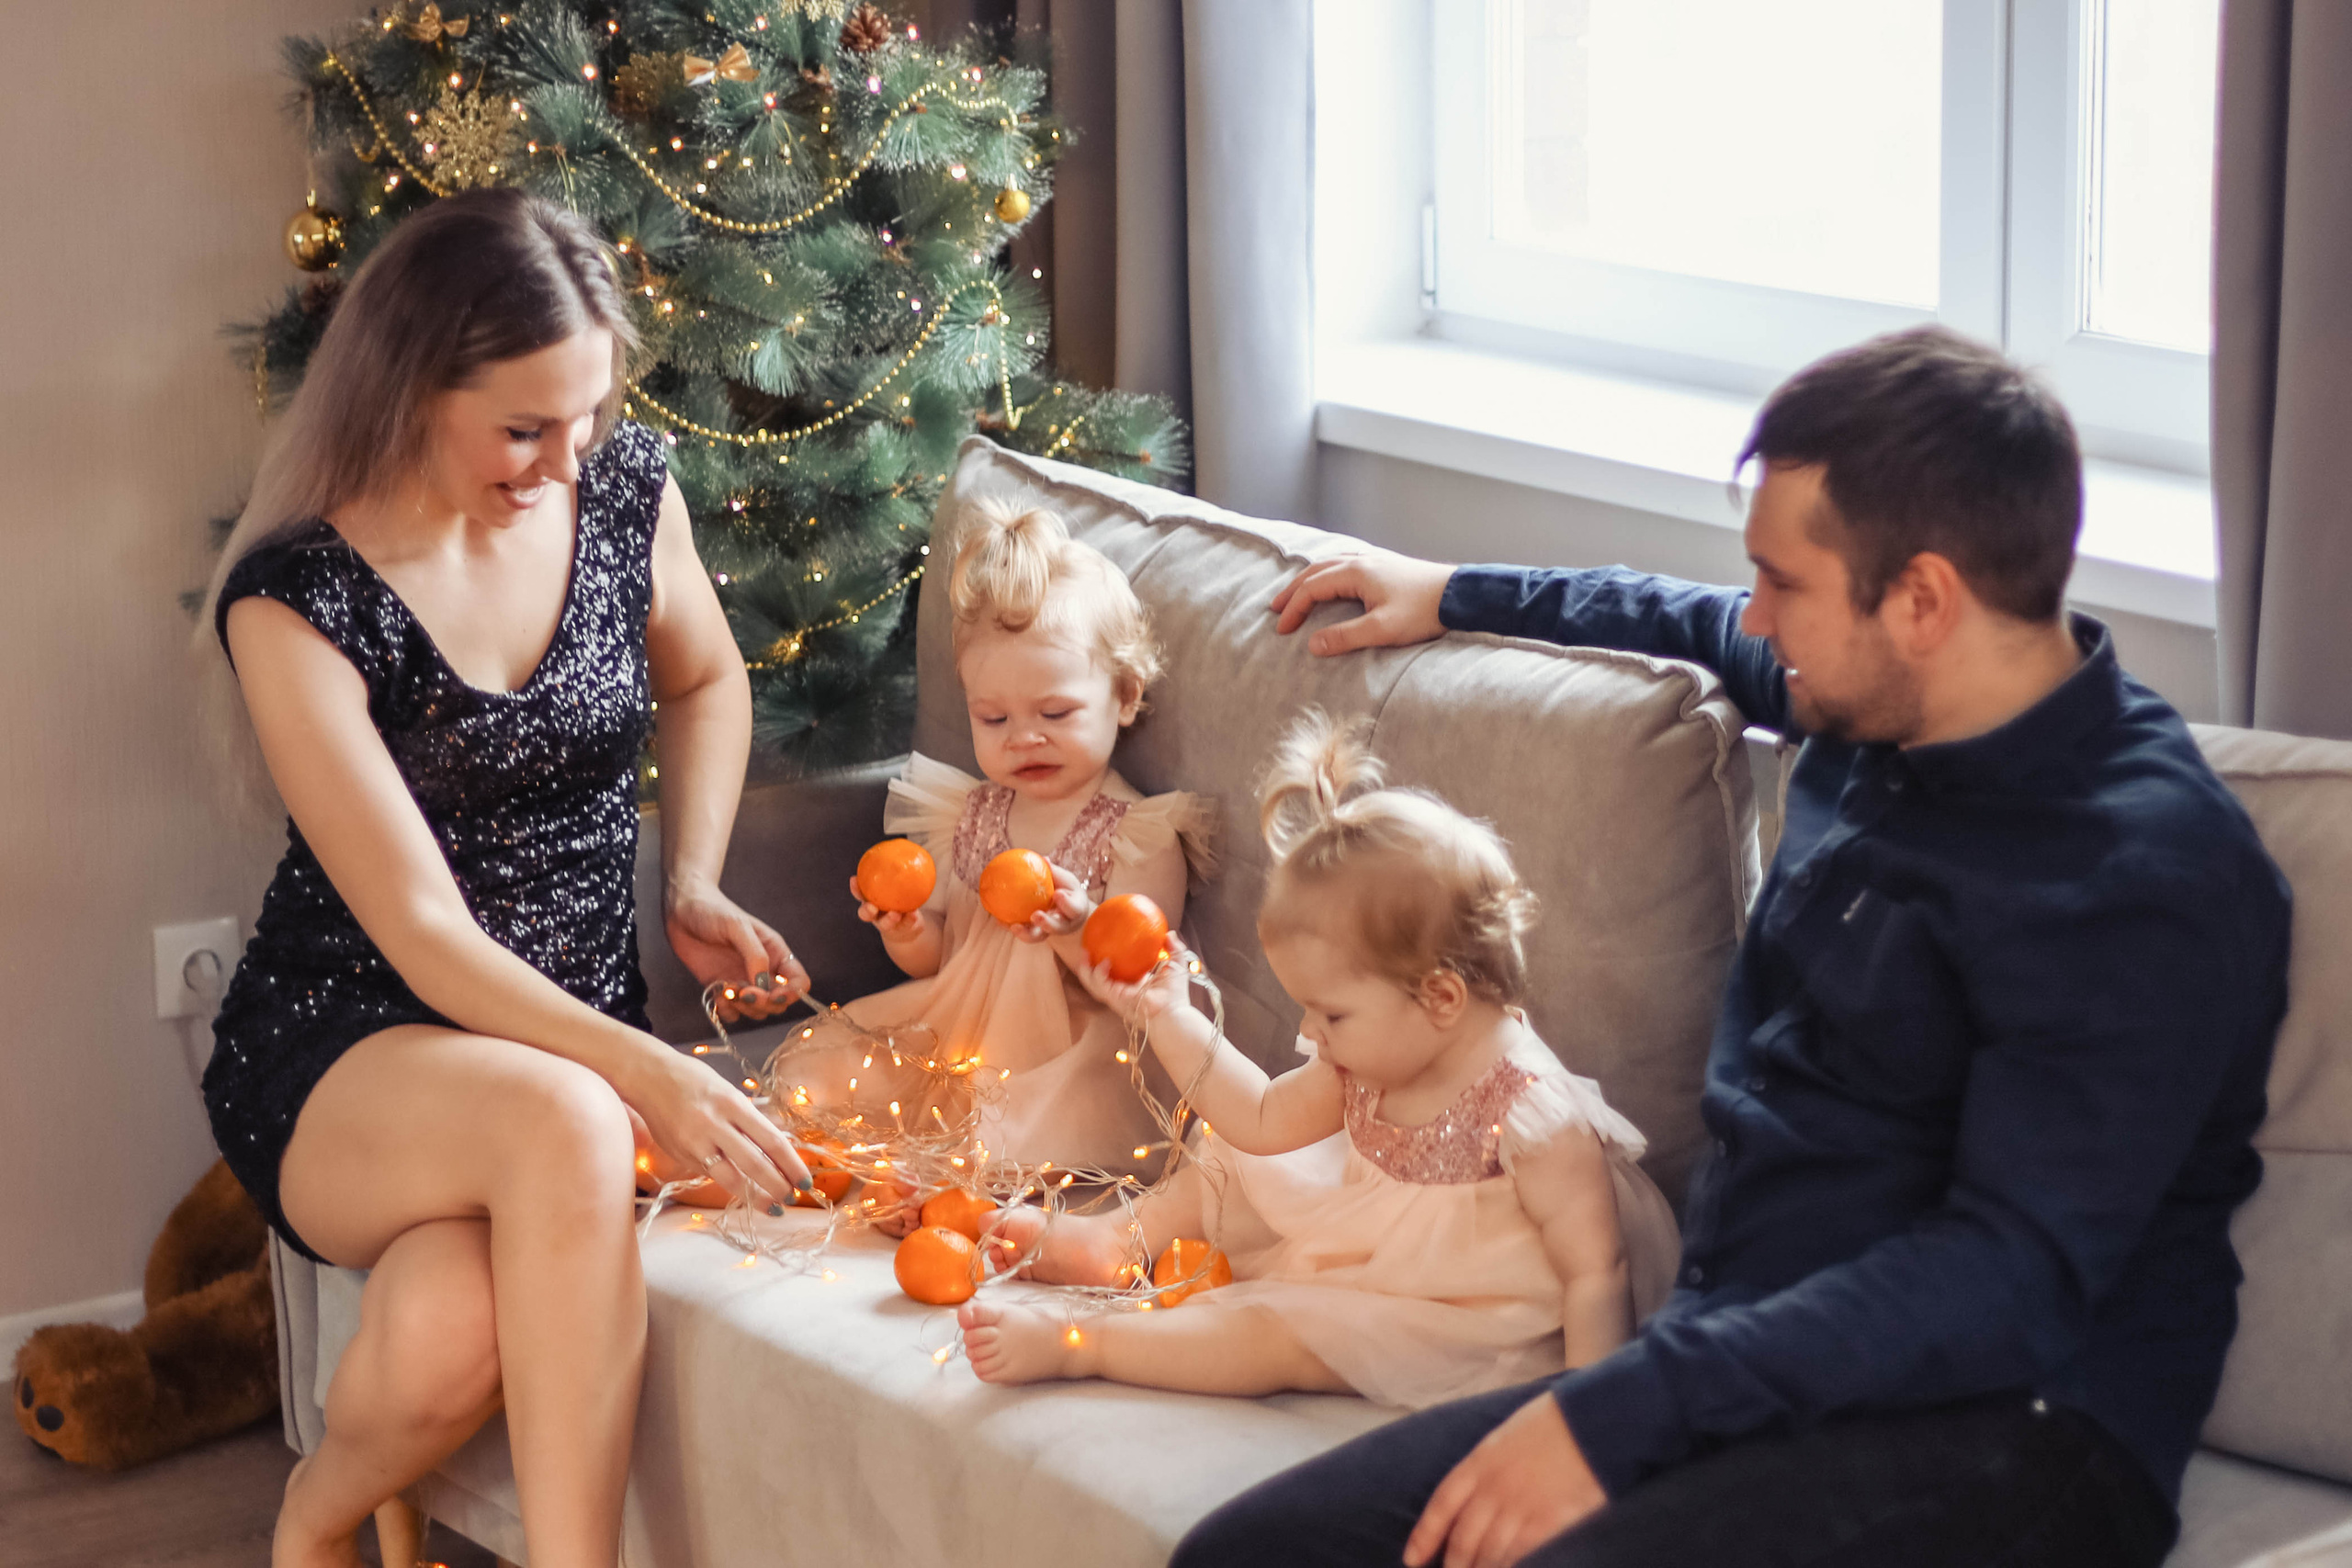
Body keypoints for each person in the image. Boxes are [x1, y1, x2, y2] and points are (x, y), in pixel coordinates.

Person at [1178, 326, 2291, 1568]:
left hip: (2017, 1427)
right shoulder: (1883, 696)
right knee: (1250, 1554)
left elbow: (2004, 1279)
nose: (1757, 616)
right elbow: (1693, 621)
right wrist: (1451, 591)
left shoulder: (2139, 879)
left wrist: (1626, 1410)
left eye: (1783, 582)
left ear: (1923, 600)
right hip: (1753, 1358)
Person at [194, 188, 811, 1568]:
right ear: (410, 385)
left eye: (583, 415)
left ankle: (321, 1512)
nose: (561, 458)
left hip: (560, 1042)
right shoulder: (296, 598)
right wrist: (645, 1072)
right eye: (523, 427)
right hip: (349, 1041)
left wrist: (691, 879)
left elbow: (706, 679)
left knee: (443, 1331)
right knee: (570, 1119)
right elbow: (419, 926)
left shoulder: (624, 490)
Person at [955, 711, 1679, 1405]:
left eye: (1332, 1013)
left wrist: (1588, 1424)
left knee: (1278, 1333)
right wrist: (1167, 1013)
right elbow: (1257, 1117)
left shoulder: (1534, 1116)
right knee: (1231, 1159)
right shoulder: (1365, 1054)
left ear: (1440, 997)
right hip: (1373, 1227)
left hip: (1468, 1304)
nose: (1310, 1029)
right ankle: (1120, 1238)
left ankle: (1085, 1345)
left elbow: (1597, 1273)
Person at [798, 500, 1213, 1218]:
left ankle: (949, 1193)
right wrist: (906, 929)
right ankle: (876, 1169)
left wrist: (1074, 928)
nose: (1024, 737)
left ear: (1123, 696)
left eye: (1055, 714)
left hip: (1066, 1054)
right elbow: (937, 960)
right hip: (955, 1034)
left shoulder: (1138, 834)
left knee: (1015, 1122)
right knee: (829, 1063)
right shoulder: (967, 812)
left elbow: (1138, 983)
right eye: (994, 718)